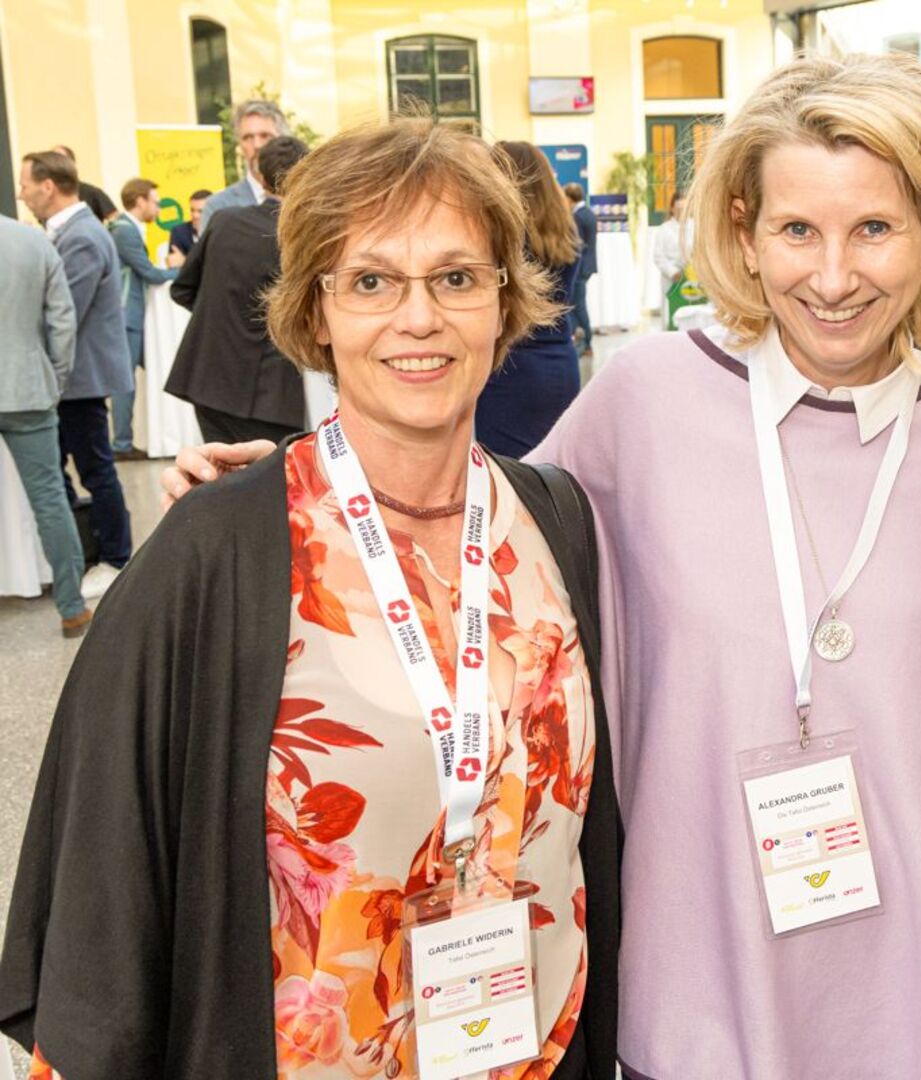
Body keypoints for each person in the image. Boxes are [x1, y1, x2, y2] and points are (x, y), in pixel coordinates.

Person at [162, 52, 921, 1077]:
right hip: (699, 982)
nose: (834, 276)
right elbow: (473, 533)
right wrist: (294, 491)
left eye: (875, 228)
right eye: (799, 229)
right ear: (745, 231)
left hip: (917, 989)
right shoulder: (648, 399)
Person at [0, 116, 620, 1080]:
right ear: (316, 311)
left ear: (504, 300)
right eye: (371, 281)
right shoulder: (219, 553)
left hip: (530, 1047)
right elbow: (105, 891)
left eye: (457, 277)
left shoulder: (554, 520)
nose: (420, 317)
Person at [17, 149, 134, 595]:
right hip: (75, 377)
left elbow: (64, 312)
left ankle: (115, 559)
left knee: (95, 469)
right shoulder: (71, 232)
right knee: (76, 467)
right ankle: (86, 552)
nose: (21, 194)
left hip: (80, 379)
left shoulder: (82, 236)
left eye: (26, 185)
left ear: (48, 186)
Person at [165, 136, 310, 445]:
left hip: (210, 378)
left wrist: (223, 318)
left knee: (219, 469)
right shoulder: (301, 237)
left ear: (260, 177)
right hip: (272, 392)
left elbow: (183, 288)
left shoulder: (224, 221)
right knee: (269, 472)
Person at [0, 214, 91, 636]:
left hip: (30, 388)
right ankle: (72, 609)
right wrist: (54, 377)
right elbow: (62, 321)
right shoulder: (33, 242)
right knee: (50, 499)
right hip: (28, 388)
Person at [474, 142, 582, 457]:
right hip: (561, 361)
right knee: (554, 468)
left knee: (510, 471)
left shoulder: (504, 235)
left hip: (511, 365)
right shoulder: (566, 231)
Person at [108, 178, 181, 460]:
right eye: (155, 202)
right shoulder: (125, 231)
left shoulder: (126, 229)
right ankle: (122, 445)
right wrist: (181, 270)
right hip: (128, 316)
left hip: (132, 316)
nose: (158, 208)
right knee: (125, 382)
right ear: (140, 201)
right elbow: (149, 273)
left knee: (153, 372)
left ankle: (157, 436)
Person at [202, 98, 290, 231]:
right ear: (239, 144)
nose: (257, 145)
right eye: (247, 138)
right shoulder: (218, 206)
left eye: (265, 136)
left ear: (282, 139)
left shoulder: (303, 198)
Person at [564, 182, 597, 359]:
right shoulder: (589, 213)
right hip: (588, 266)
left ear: (570, 198)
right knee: (577, 305)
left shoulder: (576, 217)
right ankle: (583, 340)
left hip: (580, 268)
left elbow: (576, 245)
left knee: (577, 306)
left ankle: (586, 341)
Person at [650, 188, 692, 322]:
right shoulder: (664, 229)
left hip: (693, 279)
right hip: (671, 280)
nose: (682, 212)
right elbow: (658, 256)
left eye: (684, 209)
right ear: (672, 209)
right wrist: (673, 272)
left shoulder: (696, 227)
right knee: (672, 317)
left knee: (692, 315)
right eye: (679, 209)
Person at [48, 145, 116, 222]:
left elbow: (116, 222)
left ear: (72, 164)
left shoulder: (93, 193)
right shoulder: (47, 196)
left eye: (60, 160)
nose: (55, 164)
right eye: (52, 160)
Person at [167, 188, 212, 261]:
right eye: (192, 210)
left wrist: (184, 261)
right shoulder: (179, 232)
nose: (195, 215)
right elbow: (174, 262)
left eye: (200, 211)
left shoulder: (221, 231)